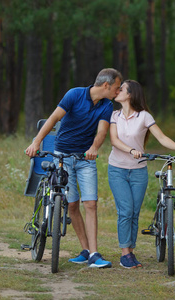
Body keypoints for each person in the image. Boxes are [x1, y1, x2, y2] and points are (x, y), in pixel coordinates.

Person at [25, 68, 123, 268]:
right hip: (63, 156)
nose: (119, 90)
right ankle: (85, 250)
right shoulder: (74, 94)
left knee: (91, 204)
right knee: (72, 205)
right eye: (117, 87)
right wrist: (36, 142)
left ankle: (94, 254)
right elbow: (53, 119)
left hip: (86, 159)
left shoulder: (107, 105)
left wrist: (94, 148)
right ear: (106, 85)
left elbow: (102, 131)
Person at [108, 79, 175, 269]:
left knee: (134, 212)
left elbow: (162, 137)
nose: (118, 91)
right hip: (117, 169)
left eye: (121, 89)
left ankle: (130, 251)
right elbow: (114, 141)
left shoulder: (144, 116)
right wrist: (132, 150)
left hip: (139, 171)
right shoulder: (114, 115)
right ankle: (125, 254)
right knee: (125, 210)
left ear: (130, 94)